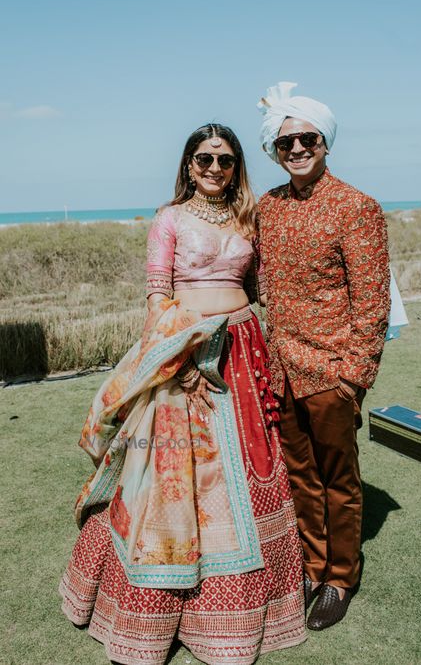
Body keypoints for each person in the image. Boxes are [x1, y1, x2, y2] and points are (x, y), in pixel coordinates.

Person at [59, 123, 306, 664]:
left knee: (249, 466)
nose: (214, 169)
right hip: (183, 351)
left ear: (237, 165)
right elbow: (157, 292)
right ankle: (159, 610)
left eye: (224, 160)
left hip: (242, 350)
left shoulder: (249, 217)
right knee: (172, 476)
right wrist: (180, 359)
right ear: (188, 165)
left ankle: (246, 607)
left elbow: (263, 287)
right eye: (203, 159)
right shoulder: (168, 218)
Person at [256, 83, 391, 630]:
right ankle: (312, 567)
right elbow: (263, 276)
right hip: (280, 370)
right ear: (275, 149)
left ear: (325, 142)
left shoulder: (357, 207)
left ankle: (340, 578)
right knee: (300, 476)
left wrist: (352, 378)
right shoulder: (268, 206)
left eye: (306, 138)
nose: (296, 149)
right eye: (285, 142)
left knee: (339, 479)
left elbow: (373, 301)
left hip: (331, 372)